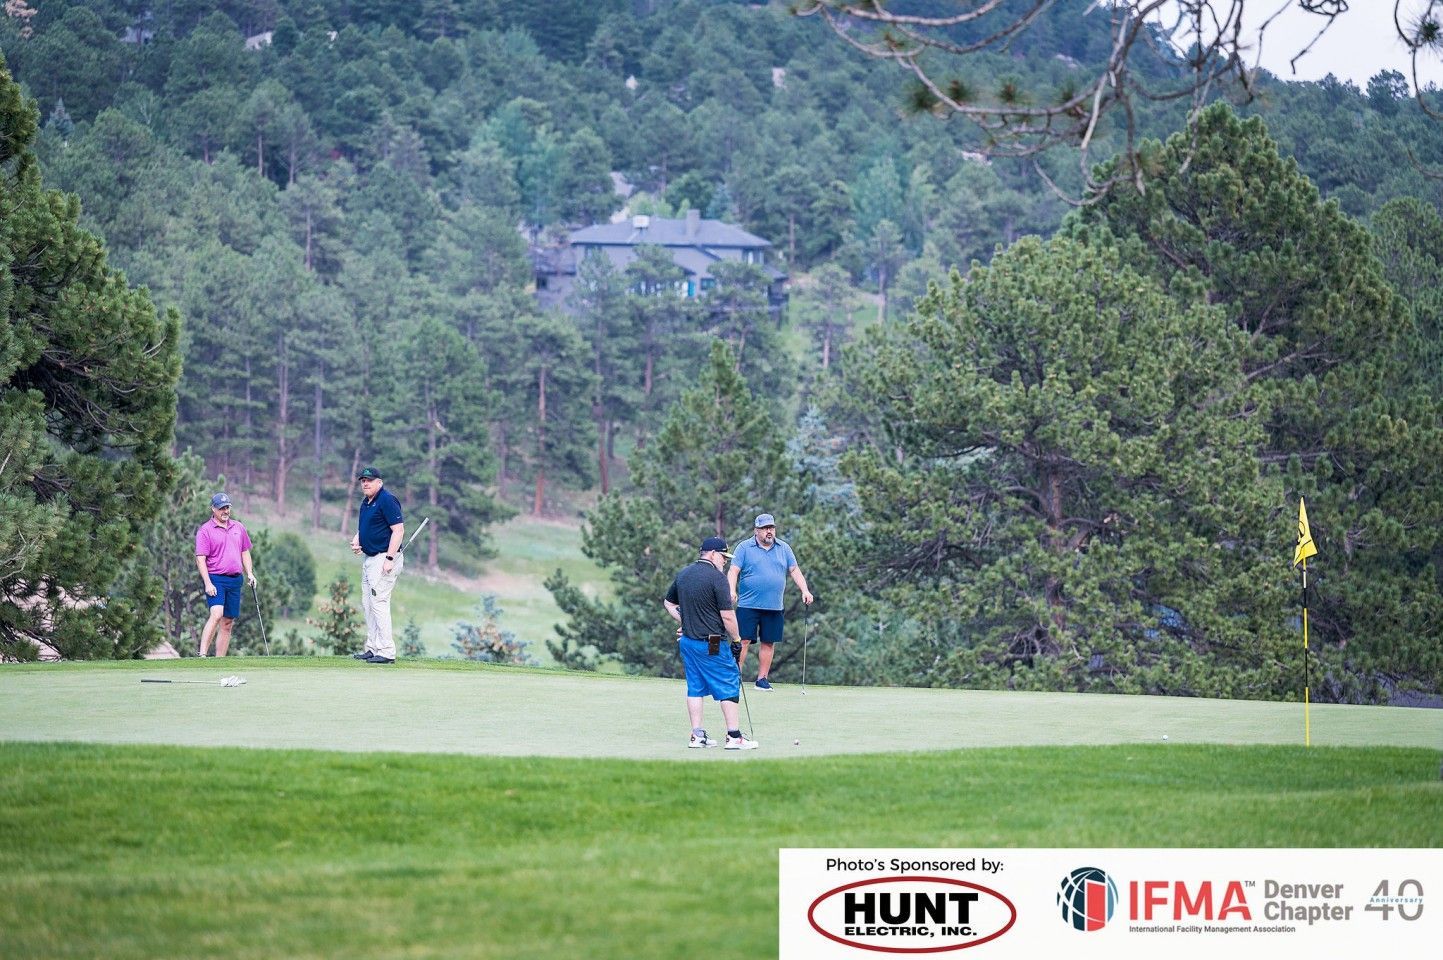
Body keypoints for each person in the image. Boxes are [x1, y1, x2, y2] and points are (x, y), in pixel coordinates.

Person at [663, 536, 758, 750]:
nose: (725, 561)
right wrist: (736, 640)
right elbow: (728, 617)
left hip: (688, 642)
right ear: (713, 554)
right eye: (723, 556)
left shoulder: (684, 574)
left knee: (695, 687)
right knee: (729, 681)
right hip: (712, 642)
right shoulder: (717, 578)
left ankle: (697, 736)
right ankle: (734, 736)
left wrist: (687, 621)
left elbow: (668, 604)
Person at [728, 513, 813, 690]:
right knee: (742, 640)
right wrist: (731, 590)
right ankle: (735, 676)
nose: (769, 531)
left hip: (774, 606)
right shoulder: (744, 547)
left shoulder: (784, 548)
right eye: (765, 528)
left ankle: (762, 679)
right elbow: (733, 571)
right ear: (756, 530)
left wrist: (805, 590)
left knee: (768, 642)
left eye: (771, 528)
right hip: (748, 605)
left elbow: (795, 570)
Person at [349, 466, 405, 664]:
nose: (365, 483)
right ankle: (372, 648)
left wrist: (390, 559)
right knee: (368, 604)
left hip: (384, 558)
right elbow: (365, 527)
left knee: (379, 603)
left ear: (379, 482)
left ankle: (387, 651)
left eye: (369, 480)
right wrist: (358, 540)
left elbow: (398, 531)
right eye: (363, 480)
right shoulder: (366, 502)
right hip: (370, 558)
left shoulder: (387, 500)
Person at [194, 492, 256, 657]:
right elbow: (200, 560)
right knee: (216, 614)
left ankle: (219, 660)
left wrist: (250, 573)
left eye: (227, 507)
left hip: (235, 580)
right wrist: (208, 583)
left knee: (228, 622)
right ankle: (202, 655)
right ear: (213, 509)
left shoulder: (238, 527)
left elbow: (245, 552)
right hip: (216, 579)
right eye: (221, 508)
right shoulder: (205, 531)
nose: (225, 511)